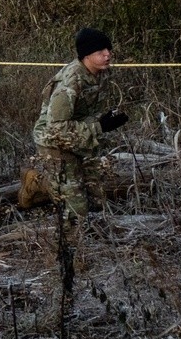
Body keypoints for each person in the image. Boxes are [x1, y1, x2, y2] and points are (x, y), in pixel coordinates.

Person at [31, 27, 126, 228]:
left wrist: (105, 120)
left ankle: (47, 185)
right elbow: (56, 128)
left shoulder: (100, 74)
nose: (108, 54)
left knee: (97, 196)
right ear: (86, 56)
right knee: (75, 208)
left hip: (80, 139)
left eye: (108, 50)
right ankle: (38, 185)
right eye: (101, 52)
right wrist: (100, 127)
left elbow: (87, 112)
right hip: (54, 144)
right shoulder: (70, 82)